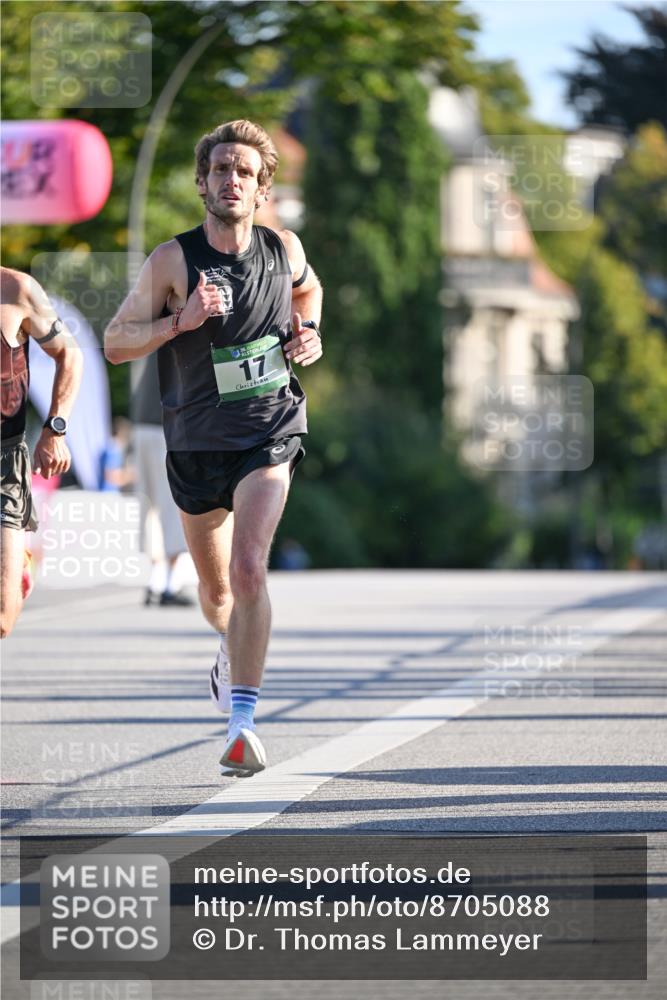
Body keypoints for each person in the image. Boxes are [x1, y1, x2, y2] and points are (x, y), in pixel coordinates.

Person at [104, 119, 323, 776]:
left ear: (261, 190)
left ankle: (242, 723)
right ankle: (230, 650)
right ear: (202, 182)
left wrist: (308, 330)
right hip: (195, 442)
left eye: (245, 173)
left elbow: (307, 290)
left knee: (251, 568)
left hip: (269, 428)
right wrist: (181, 321)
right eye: (221, 169)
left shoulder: (283, 250)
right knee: (216, 589)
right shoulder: (173, 261)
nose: (232, 180)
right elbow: (116, 343)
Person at [1, 266, 83, 638]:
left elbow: (70, 355)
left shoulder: (16, 289)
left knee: (2, 619)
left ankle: (18, 568)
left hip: (4, 463)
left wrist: (55, 430)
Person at [131, 352, 195, 607]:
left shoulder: (142, 324)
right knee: (172, 503)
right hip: (168, 426)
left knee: (148, 505)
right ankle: (169, 581)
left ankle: (155, 579)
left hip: (141, 424)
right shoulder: (179, 320)